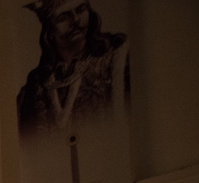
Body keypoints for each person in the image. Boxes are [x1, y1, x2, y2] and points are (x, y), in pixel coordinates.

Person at [16, 0, 129, 136]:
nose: (75, 20)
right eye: (63, 17)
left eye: (80, 9)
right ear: (49, 31)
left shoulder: (117, 61)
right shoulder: (34, 88)